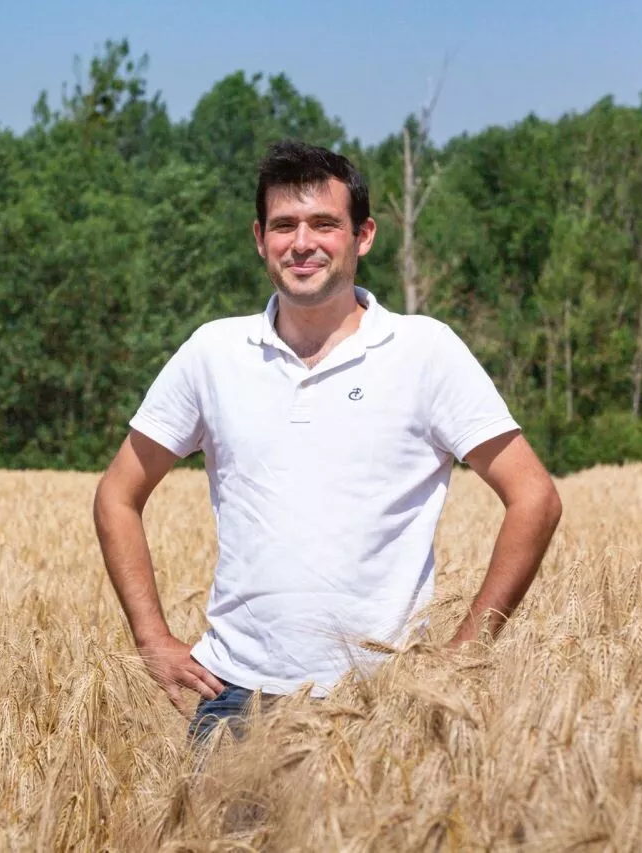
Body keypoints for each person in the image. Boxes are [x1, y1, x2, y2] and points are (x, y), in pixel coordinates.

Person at [92, 139, 562, 746]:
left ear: (363, 236)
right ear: (259, 238)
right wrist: (152, 639)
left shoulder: (426, 351)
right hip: (235, 698)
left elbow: (535, 497)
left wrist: (463, 654)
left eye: (324, 224)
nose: (303, 242)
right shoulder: (213, 353)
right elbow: (116, 495)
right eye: (284, 225)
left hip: (384, 704)